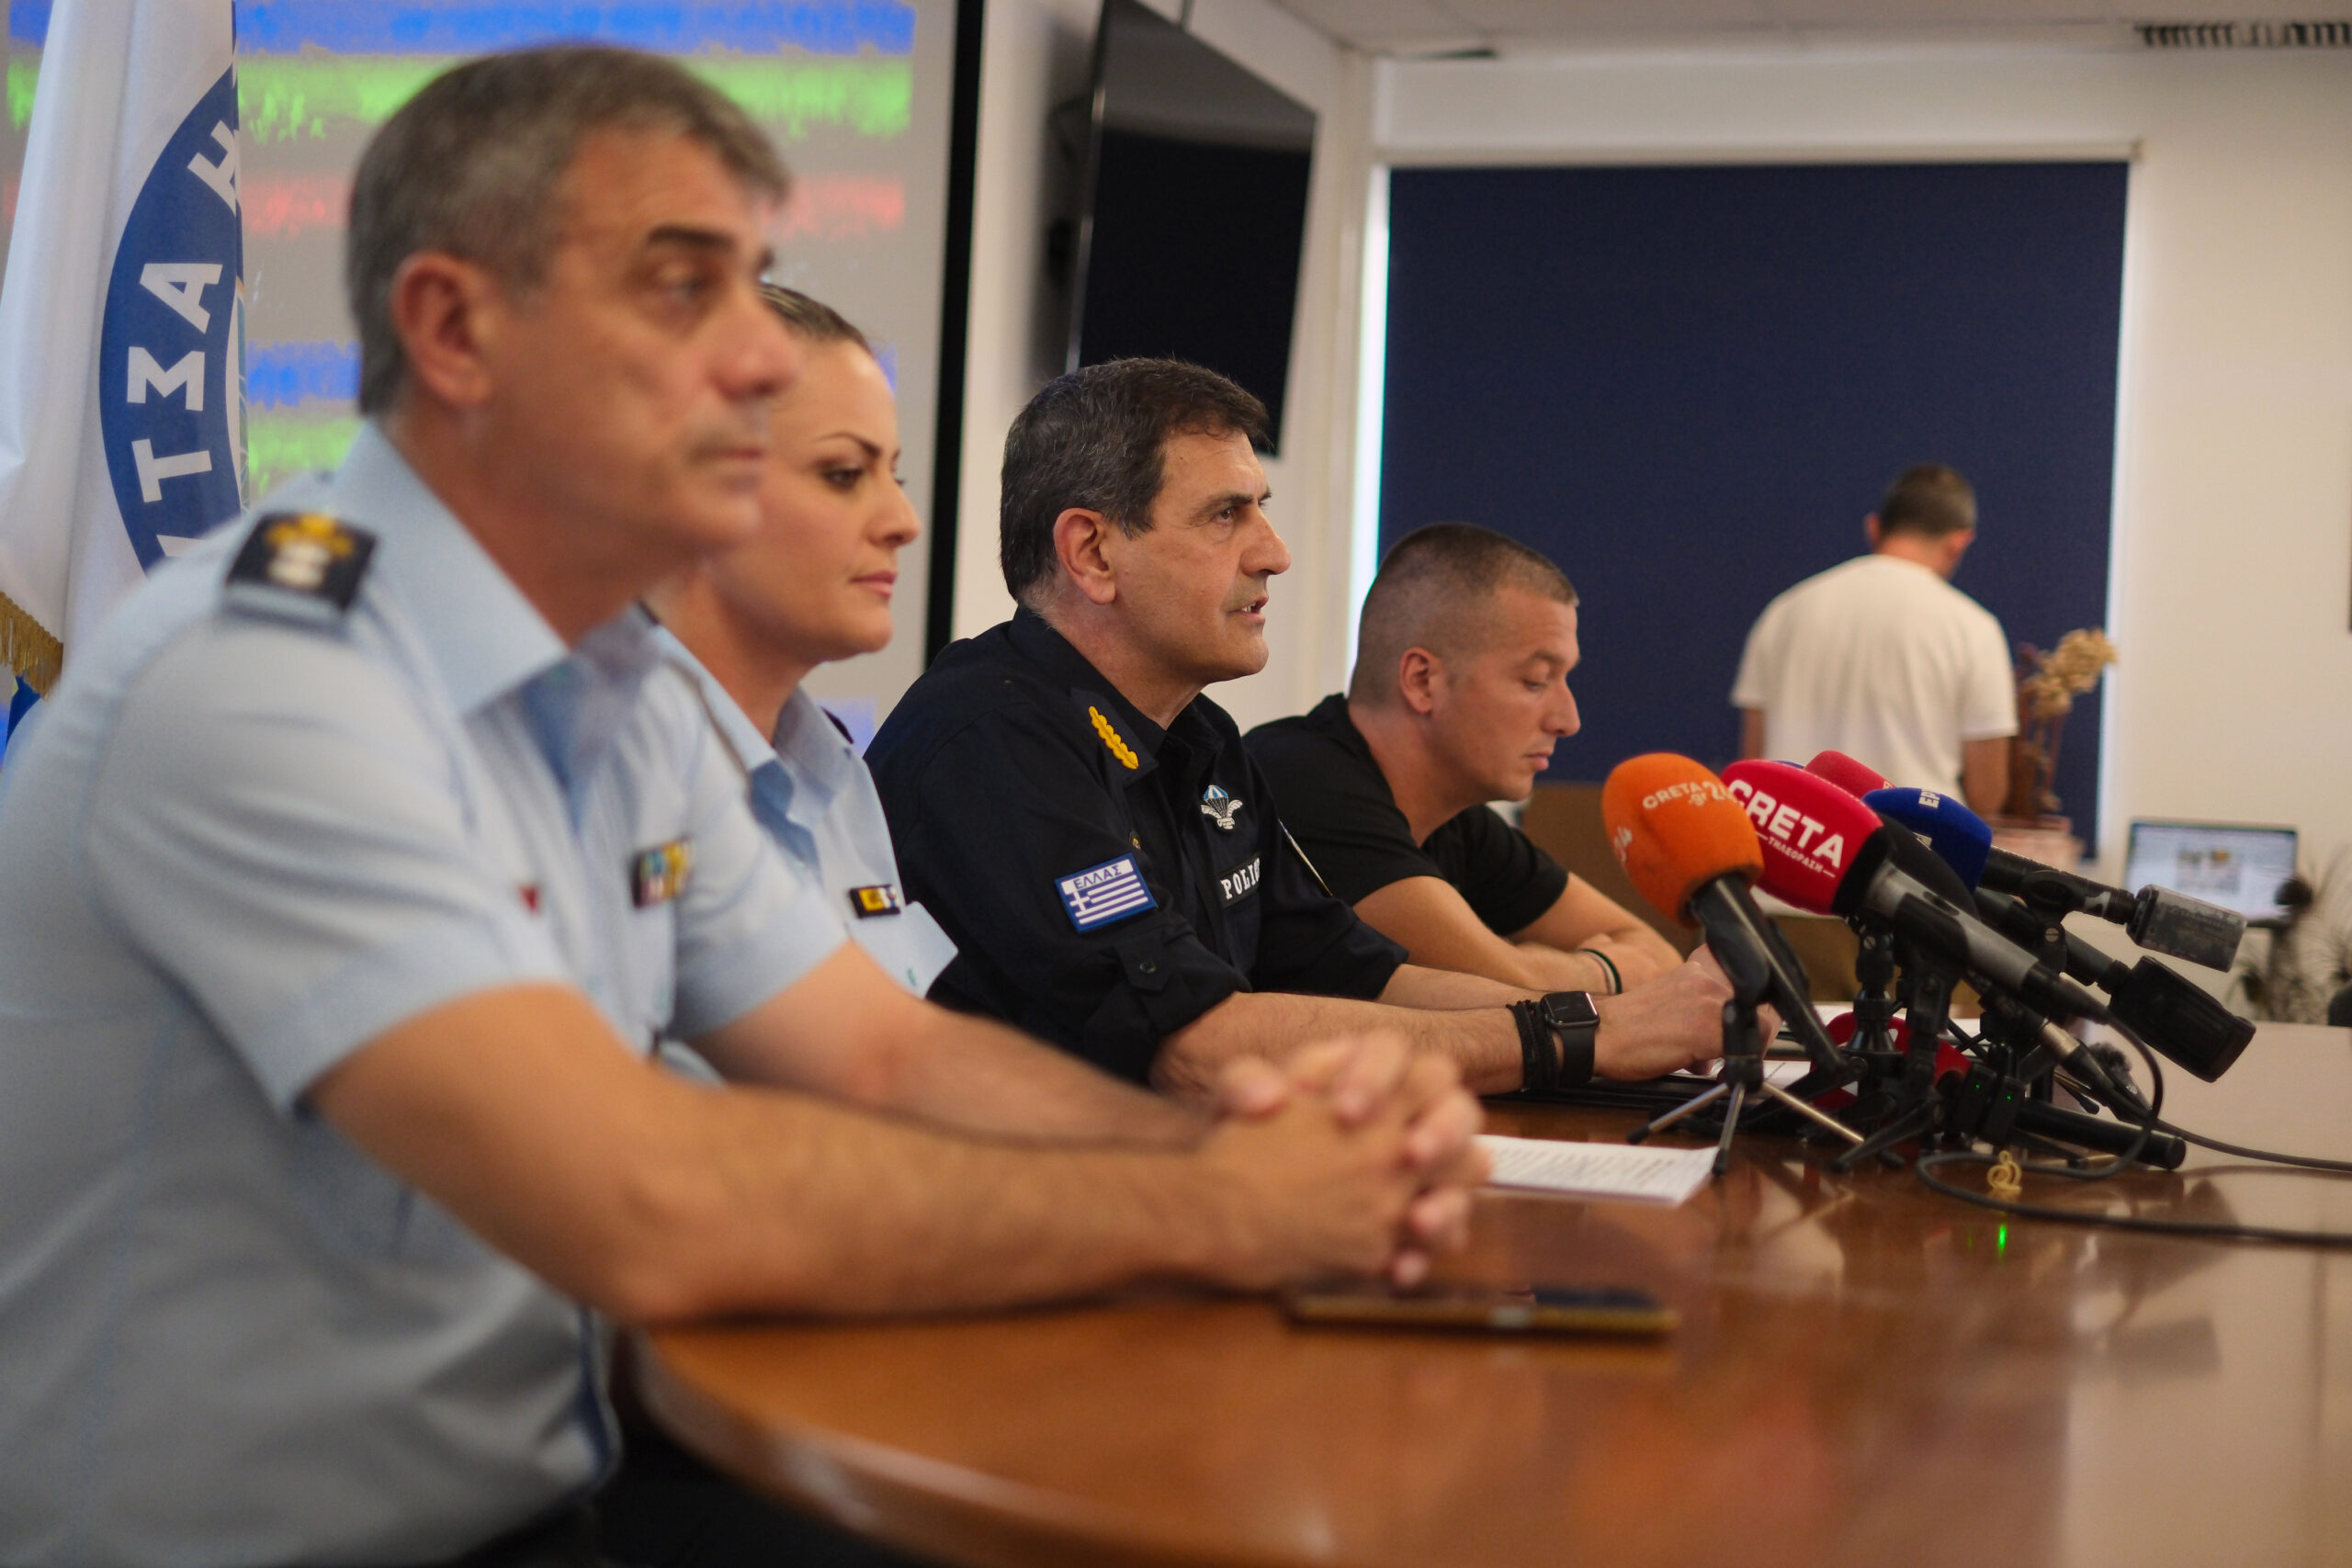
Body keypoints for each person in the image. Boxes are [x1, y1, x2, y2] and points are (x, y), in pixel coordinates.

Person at [0, 51, 1484, 1568]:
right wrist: (1221, 1209)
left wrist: (1237, 1152)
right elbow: (641, 1194)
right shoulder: (269, 681)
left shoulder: (618, 693)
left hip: (545, 1501)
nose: (757, 356)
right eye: (682, 290)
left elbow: (883, 1052)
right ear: (452, 331)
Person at [868, 359, 1737, 1103]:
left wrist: (1609, 1018)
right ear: (1093, 553)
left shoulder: (1202, 735)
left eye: (1262, 508)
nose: (1274, 552)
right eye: (1225, 515)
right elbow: (1195, 1045)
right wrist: (1579, 1035)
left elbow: (1357, 975)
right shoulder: (990, 739)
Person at [648, 285, 955, 998]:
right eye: (844, 474)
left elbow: (883, 1047)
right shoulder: (606, 769)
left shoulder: (838, 776)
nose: (904, 520)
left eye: (895, 475)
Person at [1245, 523, 1681, 995]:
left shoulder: (1455, 821)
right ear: (1422, 680)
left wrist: (1557, 970)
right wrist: (1602, 971)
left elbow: (1658, 956)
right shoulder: (1302, 779)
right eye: (1535, 681)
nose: (1568, 720)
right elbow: (1511, 988)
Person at [1732, 462, 2017, 815]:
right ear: (1959, 542)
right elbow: (1987, 793)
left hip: (1796, 835)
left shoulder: (1785, 611)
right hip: (1913, 842)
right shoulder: (1973, 628)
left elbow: (1753, 763)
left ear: (1874, 528)